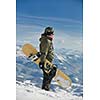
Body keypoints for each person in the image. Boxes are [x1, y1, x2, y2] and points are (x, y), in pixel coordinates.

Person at [39, 27, 57, 91]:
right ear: (47, 33)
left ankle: (46, 88)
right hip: (46, 62)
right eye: (50, 33)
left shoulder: (48, 40)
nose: (52, 34)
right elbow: (44, 52)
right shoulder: (46, 41)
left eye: (52, 33)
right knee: (49, 74)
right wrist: (42, 62)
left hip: (48, 61)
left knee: (49, 74)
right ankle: (45, 89)